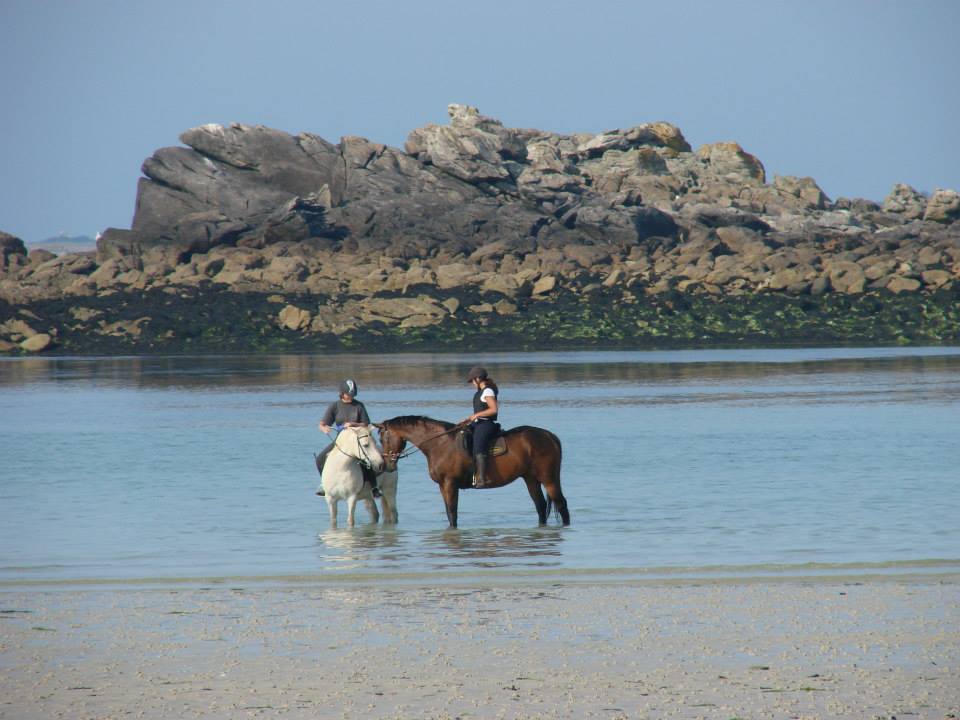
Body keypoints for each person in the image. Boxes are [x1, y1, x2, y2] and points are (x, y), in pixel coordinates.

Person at [315, 379, 380, 497]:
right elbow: (322, 424)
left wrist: (353, 424)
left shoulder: (359, 405)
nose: (351, 396)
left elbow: (366, 424)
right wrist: (324, 428)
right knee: (320, 459)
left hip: (358, 439)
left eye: (353, 394)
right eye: (349, 394)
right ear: (342, 393)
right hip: (341, 440)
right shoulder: (334, 406)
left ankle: (374, 487)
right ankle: (324, 485)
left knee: (367, 461)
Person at [461, 366, 500, 488]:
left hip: (486, 424)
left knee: (478, 445)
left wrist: (476, 415)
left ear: (478, 379)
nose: (472, 383)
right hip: (477, 423)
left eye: (472, 381)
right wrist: (467, 420)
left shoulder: (488, 391)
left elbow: (493, 410)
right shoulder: (479, 393)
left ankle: (482, 479)